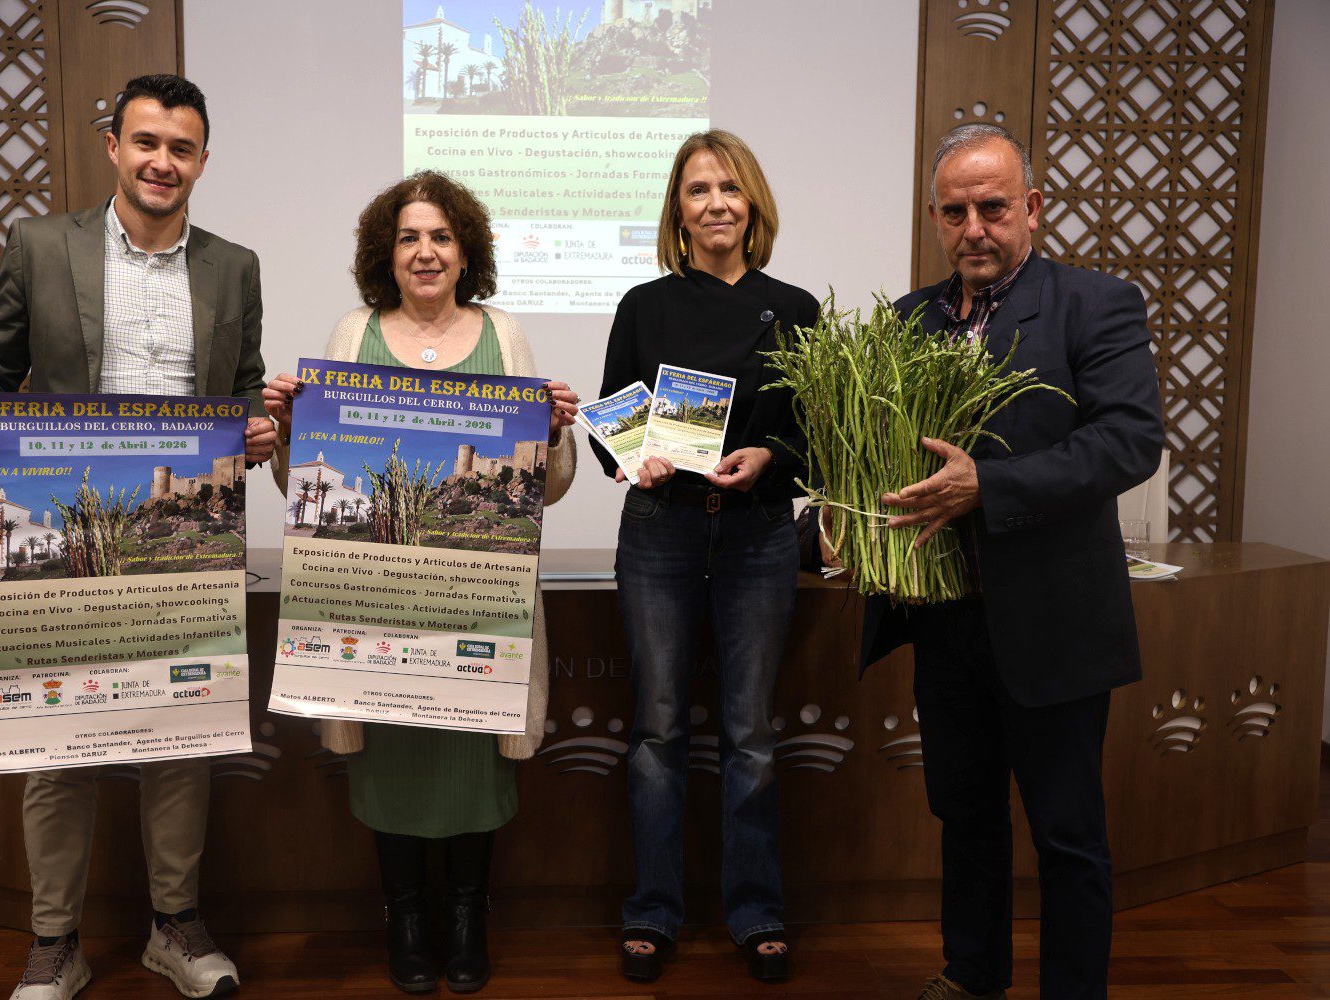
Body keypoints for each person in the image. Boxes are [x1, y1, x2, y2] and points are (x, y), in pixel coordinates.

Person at [0, 73, 273, 1000]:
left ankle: (174, 929)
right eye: (146, 142)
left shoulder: (235, 265)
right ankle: (55, 943)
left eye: (181, 148)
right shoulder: (40, 244)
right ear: (113, 144)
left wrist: (262, 430)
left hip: (185, 530)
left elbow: (245, 387)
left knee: (181, 733)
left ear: (202, 161)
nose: (162, 162)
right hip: (64, 527)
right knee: (55, 735)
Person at [846, 123, 1164, 1000]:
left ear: (1029, 209)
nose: (973, 228)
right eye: (955, 212)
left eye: (992, 207)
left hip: (1054, 623)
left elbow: (1130, 441)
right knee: (966, 816)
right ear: (936, 218)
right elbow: (885, 456)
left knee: (1067, 836)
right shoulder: (910, 319)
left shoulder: (1095, 303)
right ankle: (972, 975)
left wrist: (991, 485)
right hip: (947, 622)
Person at [262, 170, 577, 995]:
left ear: (466, 250)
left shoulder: (505, 335)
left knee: (476, 758)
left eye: (441, 236)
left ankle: (468, 913)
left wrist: (551, 434)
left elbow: (548, 486)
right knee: (391, 758)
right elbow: (307, 482)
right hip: (376, 606)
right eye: (409, 237)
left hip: (475, 606)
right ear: (385, 254)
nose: (426, 251)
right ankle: (404, 913)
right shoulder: (349, 332)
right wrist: (293, 430)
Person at [591, 129, 818, 984]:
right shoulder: (642, 305)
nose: (715, 202)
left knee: (751, 735)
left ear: (751, 202)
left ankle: (757, 911)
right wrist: (632, 456)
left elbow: (811, 438)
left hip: (759, 531)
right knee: (656, 729)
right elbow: (615, 427)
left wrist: (771, 460)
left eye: (729, 187)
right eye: (698, 190)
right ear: (676, 211)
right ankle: (653, 909)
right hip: (662, 531)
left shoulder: (795, 307)